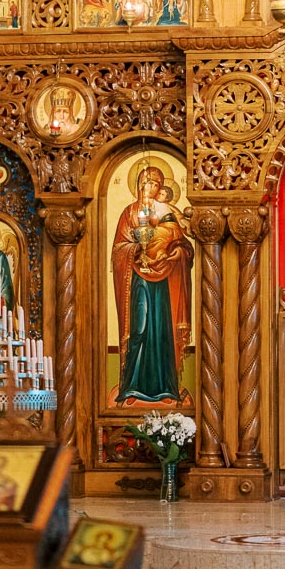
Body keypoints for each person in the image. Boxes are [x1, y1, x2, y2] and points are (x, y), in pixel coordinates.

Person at [112, 165, 193, 404]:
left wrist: (176, 254)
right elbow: (118, 251)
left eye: (156, 184)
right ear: (138, 185)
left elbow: (184, 246)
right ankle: (132, 386)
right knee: (140, 327)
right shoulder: (129, 214)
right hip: (138, 279)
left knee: (161, 330)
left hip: (164, 284)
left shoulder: (167, 211)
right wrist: (137, 248)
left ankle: (166, 387)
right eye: (147, 182)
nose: (151, 187)